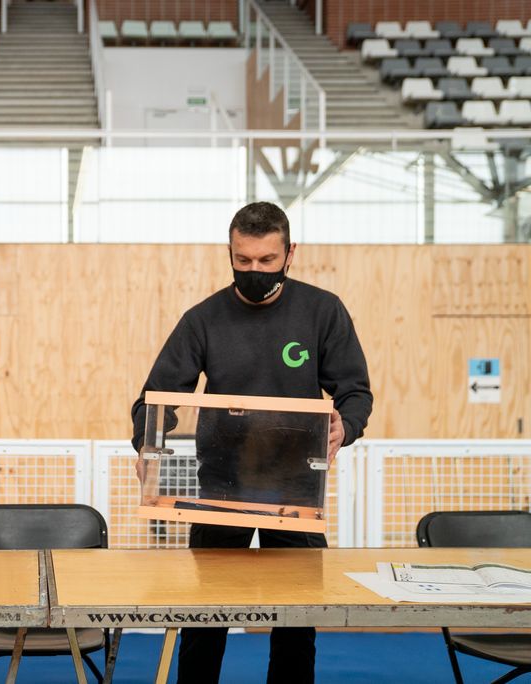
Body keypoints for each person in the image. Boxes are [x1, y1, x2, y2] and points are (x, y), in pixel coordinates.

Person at [131, 202, 373, 684]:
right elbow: (155, 397)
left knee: (297, 619)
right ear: (230, 253)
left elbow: (355, 392)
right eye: (243, 260)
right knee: (206, 618)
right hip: (220, 488)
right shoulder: (203, 319)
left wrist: (345, 426)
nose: (255, 270)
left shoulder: (322, 311)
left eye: (267, 260)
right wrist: (147, 445)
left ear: (290, 253)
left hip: (296, 489)